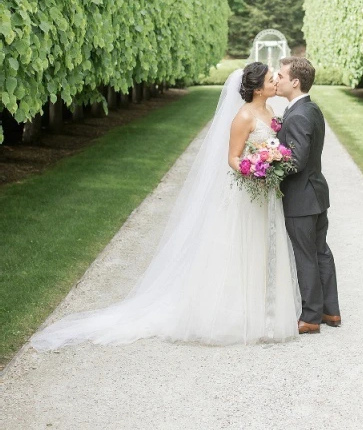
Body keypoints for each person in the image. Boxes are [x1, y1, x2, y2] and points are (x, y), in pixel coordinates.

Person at [30, 63, 301, 349]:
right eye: (272, 80)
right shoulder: (243, 115)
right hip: (246, 193)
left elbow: (271, 145)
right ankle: (233, 315)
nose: (276, 83)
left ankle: (263, 312)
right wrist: (254, 169)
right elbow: (233, 158)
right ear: (258, 88)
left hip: (264, 195)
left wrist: (273, 161)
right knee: (239, 247)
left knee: (261, 247)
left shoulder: (270, 112)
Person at [275, 57, 341, 334]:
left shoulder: (299, 114)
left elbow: (297, 161)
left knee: (306, 255)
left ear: (295, 81)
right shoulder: (311, 109)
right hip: (315, 192)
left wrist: (268, 167)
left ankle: (311, 317)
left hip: (301, 197)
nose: (276, 80)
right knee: (320, 251)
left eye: (280, 75)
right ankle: (330, 311)